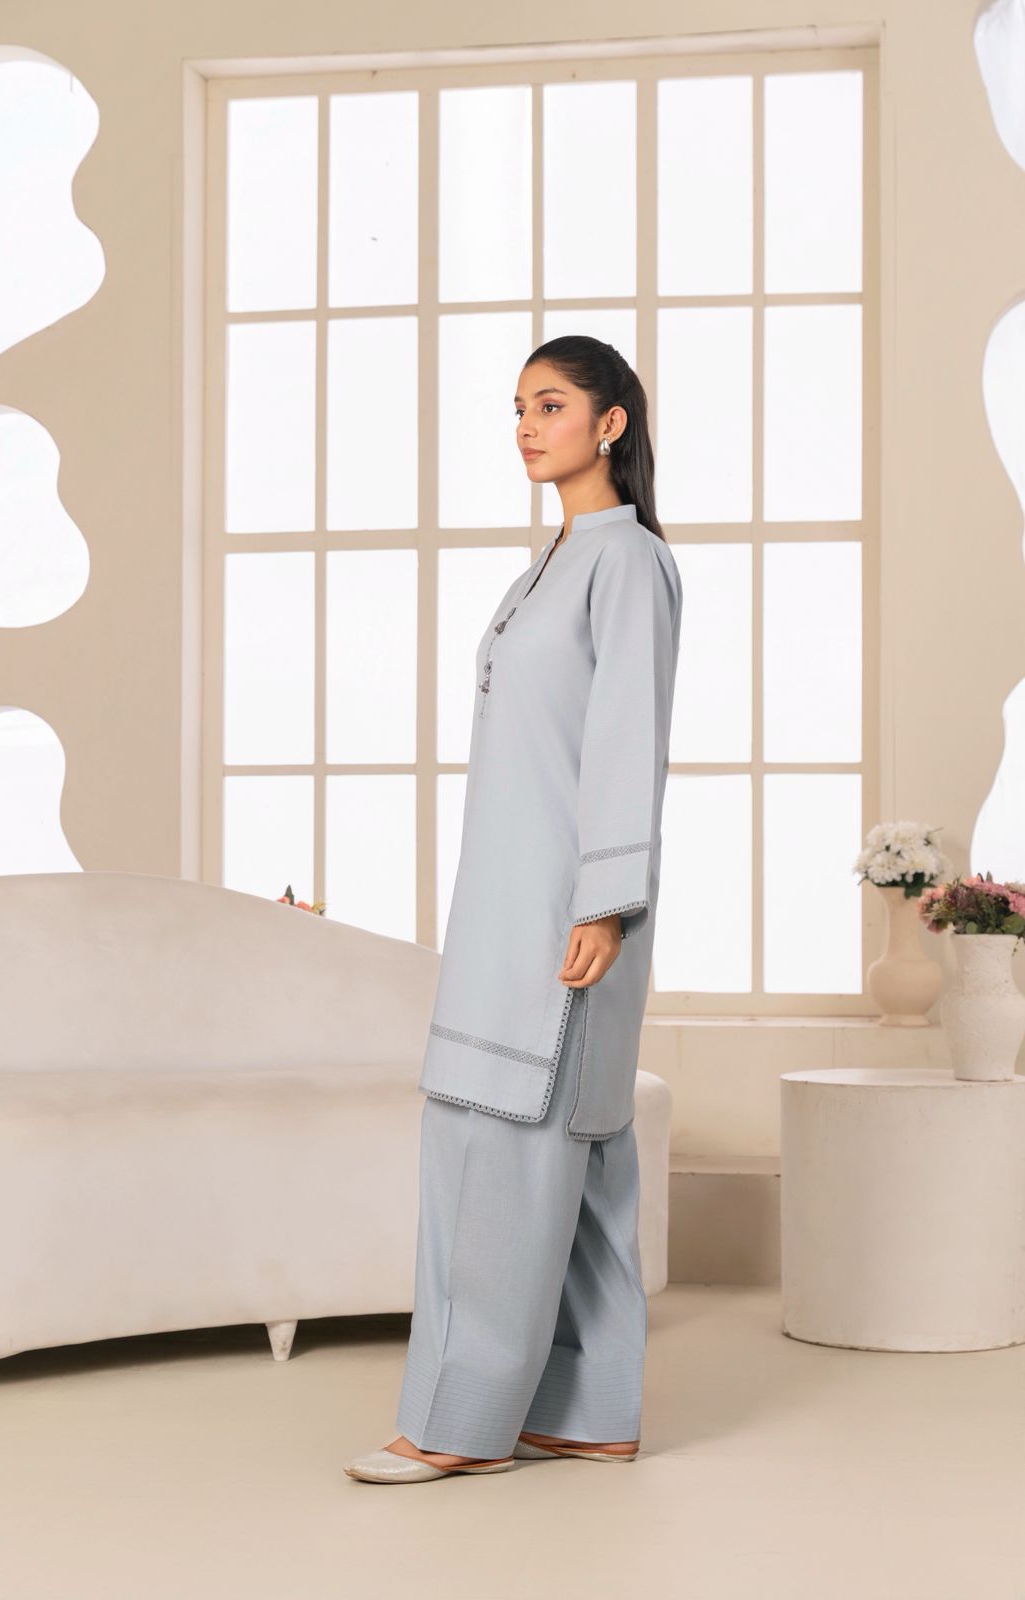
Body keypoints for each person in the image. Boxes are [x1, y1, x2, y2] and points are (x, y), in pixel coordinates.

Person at [344, 335, 683, 1484]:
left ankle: (459, 1421)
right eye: (519, 408)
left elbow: (626, 737)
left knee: (510, 1153)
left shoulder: (625, 561)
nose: (528, 428)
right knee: (569, 1159)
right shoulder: (547, 567)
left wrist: (607, 902)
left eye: (552, 405)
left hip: (567, 916)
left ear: (611, 423)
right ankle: (590, 1409)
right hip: (507, 903)